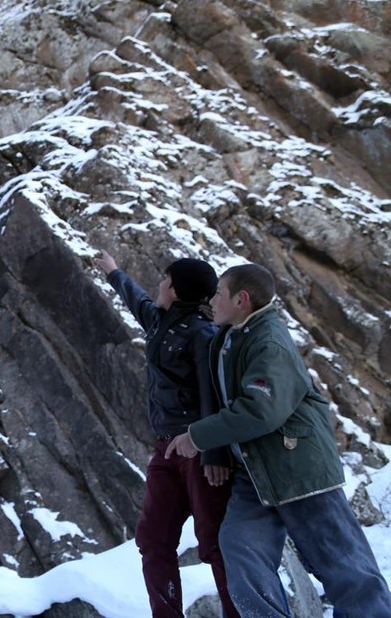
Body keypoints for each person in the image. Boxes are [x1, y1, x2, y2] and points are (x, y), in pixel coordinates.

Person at [166, 263, 391, 616]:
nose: (212, 300)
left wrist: (198, 437)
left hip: (299, 468)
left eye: (219, 294)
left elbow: (261, 410)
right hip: (255, 473)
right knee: (240, 548)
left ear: (241, 299)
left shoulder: (268, 340)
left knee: (343, 564)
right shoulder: (232, 334)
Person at [94, 250, 238, 618]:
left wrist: (213, 452)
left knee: (213, 543)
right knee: (153, 539)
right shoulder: (161, 323)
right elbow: (138, 301)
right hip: (166, 450)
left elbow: (214, 396)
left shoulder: (202, 334)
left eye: (165, 278)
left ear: (175, 289)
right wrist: (114, 272)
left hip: (197, 448)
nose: (159, 283)